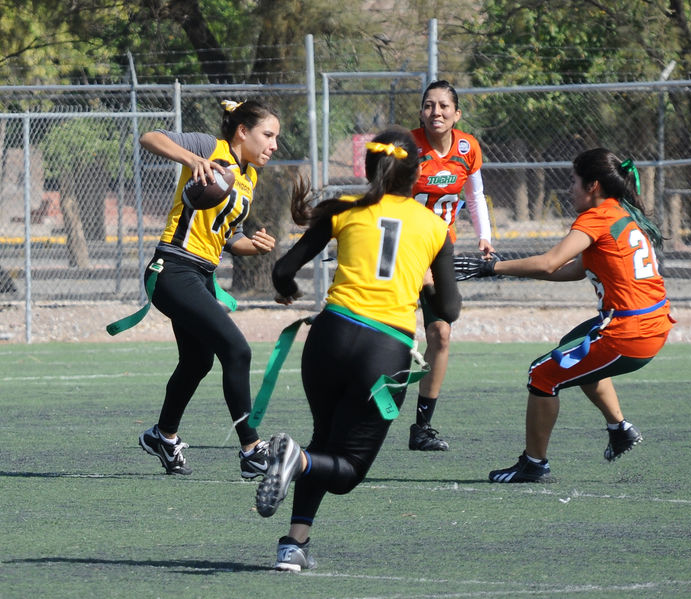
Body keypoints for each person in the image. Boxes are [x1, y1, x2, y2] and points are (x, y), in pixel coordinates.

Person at [255, 127, 461, 571]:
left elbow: (284, 269)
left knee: (321, 444)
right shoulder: (434, 226)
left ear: (369, 169)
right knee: (346, 471)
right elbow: (450, 309)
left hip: (328, 338)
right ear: (417, 173)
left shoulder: (344, 208)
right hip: (383, 352)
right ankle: (295, 463)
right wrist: (424, 284)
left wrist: (287, 289)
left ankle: (293, 544)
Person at [454, 148, 673, 483]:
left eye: (574, 181)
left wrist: (491, 268)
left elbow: (548, 261)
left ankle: (534, 464)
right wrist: (506, 271)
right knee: (572, 345)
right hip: (650, 323)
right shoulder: (620, 211)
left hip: (631, 331)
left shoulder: (596, 217)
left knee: (542, 374)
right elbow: (570, 270)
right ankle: (620, 429)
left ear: (593, 186)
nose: (569, 188)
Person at [136, 99, 280, 478]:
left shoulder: (250, 178)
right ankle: (251, 450)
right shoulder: (210, 147)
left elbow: (224, 238)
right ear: (242, 132)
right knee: (236, 350)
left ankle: (162, 436)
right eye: (268, 135)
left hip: (200, 274)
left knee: (197, 361)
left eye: (276, 138)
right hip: (172, 268)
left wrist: (254, 245)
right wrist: (191, 159)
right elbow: (148, 137)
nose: (274, 145)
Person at [408, 80, 494, 451]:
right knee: (388, 334)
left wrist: (484, 235)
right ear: (421, 112)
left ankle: (422, 428)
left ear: (457, 113)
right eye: (429, 105)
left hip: (441, 250)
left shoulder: (467, 147)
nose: (436, 112)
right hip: (403, 250)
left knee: (441, 333)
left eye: (444, 106)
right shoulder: (406, 147)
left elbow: (474, 194)